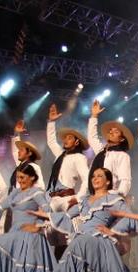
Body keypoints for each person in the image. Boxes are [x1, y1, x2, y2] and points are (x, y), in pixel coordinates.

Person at [31, 168, 138, 272]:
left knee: (79, 241)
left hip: (100, 239)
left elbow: (130, 217)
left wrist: (113, 230)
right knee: (79, 240)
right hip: (83, 237)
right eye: (93, 176)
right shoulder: (84, 200)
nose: (95, 178)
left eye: (100, 176)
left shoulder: (114, 199)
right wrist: (46, 215)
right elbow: (66, 216)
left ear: (108, 181)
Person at [45, 104, 90, 259]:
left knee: (68, 236)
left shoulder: (79, 157)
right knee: (53, 235)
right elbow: (51, 142)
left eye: (69, 138)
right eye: (65, 137)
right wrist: (51, 122)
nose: (65, 139)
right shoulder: (60, 155)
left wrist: (78, 198)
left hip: (67, 198)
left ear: (77, 142)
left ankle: (70, 268)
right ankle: (57, 269)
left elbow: (87, 179)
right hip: (53, 198)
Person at [87, 99, 133, 196]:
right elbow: (92, 137)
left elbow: (125, 180)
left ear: (121, 139)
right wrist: (94, 116)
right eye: (110, 131)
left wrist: (117, 200)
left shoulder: (122, 155)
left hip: (109, 196)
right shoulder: (102, 151)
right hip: (94, 195)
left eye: (116, 132)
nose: (111, 132)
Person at [11, 120, 45, 191]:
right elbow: (14, 151)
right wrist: (16, 133)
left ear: (29, 153)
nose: (18, 152)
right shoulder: (21, 166)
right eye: (19, 150)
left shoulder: (34, 167)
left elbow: (40, 187)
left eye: (22, 150)